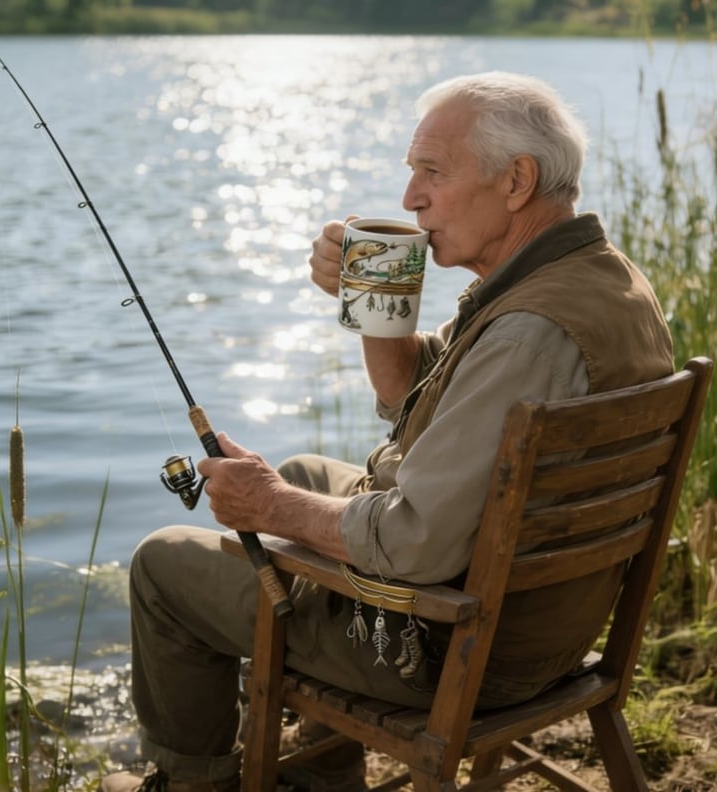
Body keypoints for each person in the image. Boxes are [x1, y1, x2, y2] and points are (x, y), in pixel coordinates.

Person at [100, 71, 674, 792]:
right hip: (547, 618)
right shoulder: (592, 277)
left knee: (163, 564)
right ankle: (323, 774)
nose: (410, 198)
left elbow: (412, 542)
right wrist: (372, 294)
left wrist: (268, 506)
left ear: (517, 181)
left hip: (456, 645)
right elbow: (416, 393)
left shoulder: (528, 334)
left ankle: (196, 784)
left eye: (432, 172)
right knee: (307, 472)